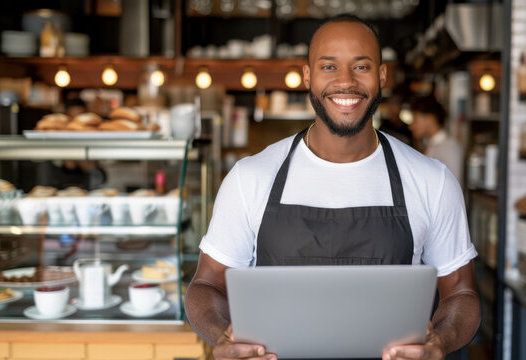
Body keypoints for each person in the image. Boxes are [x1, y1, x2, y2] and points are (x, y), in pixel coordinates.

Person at [185, 14, 480, 360]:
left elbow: (461, 293)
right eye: (328, 67)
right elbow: (205, 286)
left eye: (361, 67)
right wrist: (224, 338)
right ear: (307, 76)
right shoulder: (250, 178)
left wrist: (441, 342)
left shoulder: (433, 180)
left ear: (382, 75)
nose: (345, 82)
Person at [408, 98, 464, 186]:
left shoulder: (449, 147)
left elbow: (452, 186)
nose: (411, 126)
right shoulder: (430, 145)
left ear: (430, 118)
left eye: (415, 119)